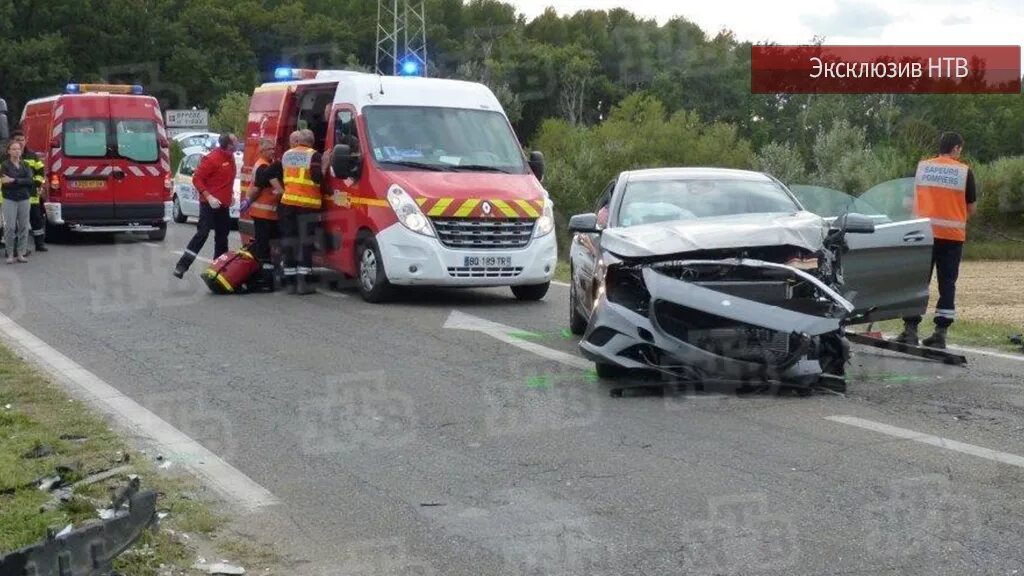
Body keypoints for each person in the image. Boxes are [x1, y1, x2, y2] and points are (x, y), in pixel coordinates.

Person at [892, 131, 977, 349]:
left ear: (940, 146)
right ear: (956, 148)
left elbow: (906, 203)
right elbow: (972, 209)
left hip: (923, 234)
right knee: (947, 284)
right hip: (952, 238)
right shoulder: (965, 172)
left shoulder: (922, 168)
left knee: (918, 283)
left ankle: (910, 331)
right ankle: (940, 334)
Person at [173, 133, 238, 278]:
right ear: (228, 145)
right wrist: (209, 197)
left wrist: (231, 195)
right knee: (202, 233)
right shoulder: (212, 159)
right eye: (235, 141)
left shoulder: (231, 157)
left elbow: (226, 180)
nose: (238, 143)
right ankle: (182, 265)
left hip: (223, 205)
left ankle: (218, 269)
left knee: (222, 237)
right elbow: (197, 179)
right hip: (209, 204)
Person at [278, 129, 324, 295]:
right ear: (312, 141)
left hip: (288, 202)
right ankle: (303, 283)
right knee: (306, 243)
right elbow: (318, 177)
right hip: (307, 204)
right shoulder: (314, 156)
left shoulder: (287, 155)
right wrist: (325, 167)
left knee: (290, 241)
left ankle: (289, 282)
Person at [239, 138, 284, 290]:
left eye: (273, 149)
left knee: (269, 245)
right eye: (270, 149)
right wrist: (249, 201)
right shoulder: (263, 167)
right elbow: (257, 189)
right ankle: (265, 279)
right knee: (264, 248)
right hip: (263, 213)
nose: (273, 151)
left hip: (267, 214)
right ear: (262, 150)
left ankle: (269, 276)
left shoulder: (265, 164)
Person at [7, 130, 48, 254]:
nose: (20, 142)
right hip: (13, 194)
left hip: (31, 195)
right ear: (12, 141)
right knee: (13, 222)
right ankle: (14, 248)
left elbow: (41, 171)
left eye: (22, 139)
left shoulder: (32, 155)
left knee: (36, 219)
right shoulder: (6, 157)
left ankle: (39, 244)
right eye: (17, 139)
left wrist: (36, 183)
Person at [1, 141, 36, 264]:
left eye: (18, 149)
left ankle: (21, 253)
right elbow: (5, 182)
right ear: (9, 151)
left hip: (24, 199)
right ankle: (10, 254)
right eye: (14, 149)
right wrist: (21, 181)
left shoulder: (25, 165)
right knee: (10, 227)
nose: (16, 151)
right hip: (9, 199)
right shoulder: (4, 165)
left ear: (21, 151)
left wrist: (14, 180)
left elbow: (30, 181)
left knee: (23, 227)